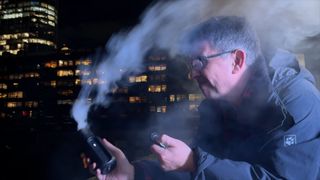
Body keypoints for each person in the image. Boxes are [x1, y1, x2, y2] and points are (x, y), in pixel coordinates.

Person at [87, 16, 320, 179]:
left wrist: (194, 162)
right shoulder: (217, 107)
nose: (192, 73)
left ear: (237, 60)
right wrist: (134, 173)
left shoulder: (295, 103)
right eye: (190, 63)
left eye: (200, 61)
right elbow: (199, 171)